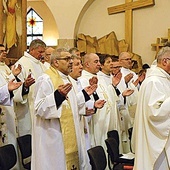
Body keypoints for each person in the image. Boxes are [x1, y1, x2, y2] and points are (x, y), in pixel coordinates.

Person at [31, 48, 103, 170]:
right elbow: (39, 108)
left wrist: (85, 94)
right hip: (53, 137)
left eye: (71, 58)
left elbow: (71, 105)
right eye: (67, 59)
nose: (70, 61)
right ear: (56, 62)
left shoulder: (68, 79)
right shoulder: (46, 79)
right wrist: (58, 96)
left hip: (67, 137)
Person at [132, 46, 170, 170]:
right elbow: (155, 113)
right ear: (165, 61)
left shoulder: (162, 80)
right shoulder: (154, 82)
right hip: (157, 143)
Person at [14, 39, 46, 136]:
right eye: (40, 52)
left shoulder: (41, 65)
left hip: (41, 108)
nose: (42, 54)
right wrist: (25, 86)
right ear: (31, 50)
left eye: (43, 52)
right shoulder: (21, 64)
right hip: (27, 110)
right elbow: (15, 89)